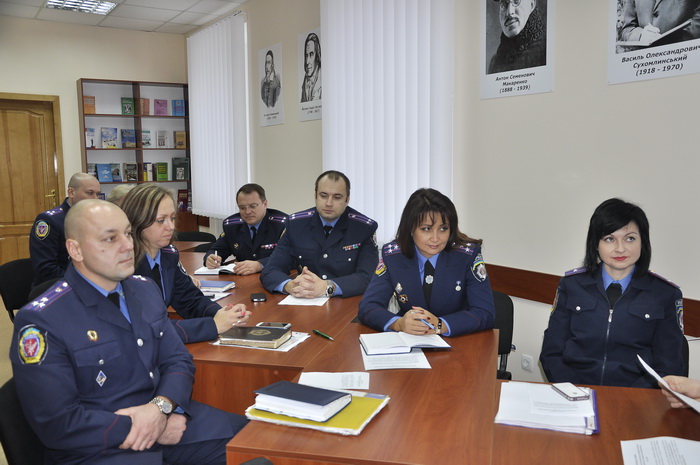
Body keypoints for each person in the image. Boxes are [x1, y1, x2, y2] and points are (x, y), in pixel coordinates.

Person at [11, 199, 247, 464]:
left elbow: (177, 360)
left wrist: (161, 408)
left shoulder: (144, 289)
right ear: (75, 250)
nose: (127, 246)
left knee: (259, 444)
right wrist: (150, 426)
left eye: (127, 234)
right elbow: (59, 423)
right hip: (101, 447)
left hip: (168, 419)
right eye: (110, 238)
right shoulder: (42, 320)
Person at [540, 198, 686, 388]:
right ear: (595, 244)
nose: (620, 248)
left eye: (630, 238)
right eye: (609, 239)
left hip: (636, 397)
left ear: (643, 242)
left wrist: (630, 399)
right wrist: (574, 391)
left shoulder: (665, 294)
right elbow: (552, 352)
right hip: (575, 392)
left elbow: (670, 365)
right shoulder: (572, 285)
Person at [121, 184, 251, 344]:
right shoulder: (124, 266)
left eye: (172, 218)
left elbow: (189, 299)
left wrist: (222, 314)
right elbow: (148, 328)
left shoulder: (168, 255)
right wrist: (213, 325)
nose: (171, 227)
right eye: (161, 221)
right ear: (137, 222)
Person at [358, 188, 495, 336]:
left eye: (443, 229)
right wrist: (398, 324)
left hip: (458, 339)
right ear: (411, 229)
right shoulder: (393, 256)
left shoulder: (466, 255)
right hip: (410, 340)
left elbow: (485, 312)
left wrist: (441, 325)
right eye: (426, 229)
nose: (435, 238)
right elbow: (368, 307)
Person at [260, 170, 378, 298]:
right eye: (323, 195)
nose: (329, 203)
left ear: (347, 200)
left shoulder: (363, 228)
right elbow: (271, 270)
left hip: (347, 301)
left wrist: (327, 287)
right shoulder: (296, 225)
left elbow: (368, 277)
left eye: (337, 197)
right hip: (304, 301)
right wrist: (289, 286)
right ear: (315, 196)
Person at [29, 172, 101, 287]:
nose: (95, 199)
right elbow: (45, 268)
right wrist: (83, 283)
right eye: (90, 193)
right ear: (71, 192)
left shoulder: (95, 218)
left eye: (97, 194)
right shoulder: (49, 220)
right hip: (57, 286)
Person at [204, 184, 287, 276]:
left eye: (253, 206)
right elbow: (218, 249)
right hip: (242, 279)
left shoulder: (282, 225)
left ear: (265, 204)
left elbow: (289, 256)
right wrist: (211, 258)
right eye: (242, 208)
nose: (247, 212)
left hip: (272, 276)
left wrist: (260, 265)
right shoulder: (232, 225)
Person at [488, 0, 546, 74]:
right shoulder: (495, 62)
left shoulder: (547, 47)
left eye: (516, 1)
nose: (509, 12)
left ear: (532, 4)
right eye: (504, 5)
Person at [619, 0, 700, 45]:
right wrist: (640, 35)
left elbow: (698, 18)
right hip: (646, 61)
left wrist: (679, 42)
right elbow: (627, 29)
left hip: (683, 55)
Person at [300, 32, 322, 102]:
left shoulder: (323, 78)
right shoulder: (305, 80)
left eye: (311, 54)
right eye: (306, 55)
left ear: (317, 57)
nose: (307, 61)